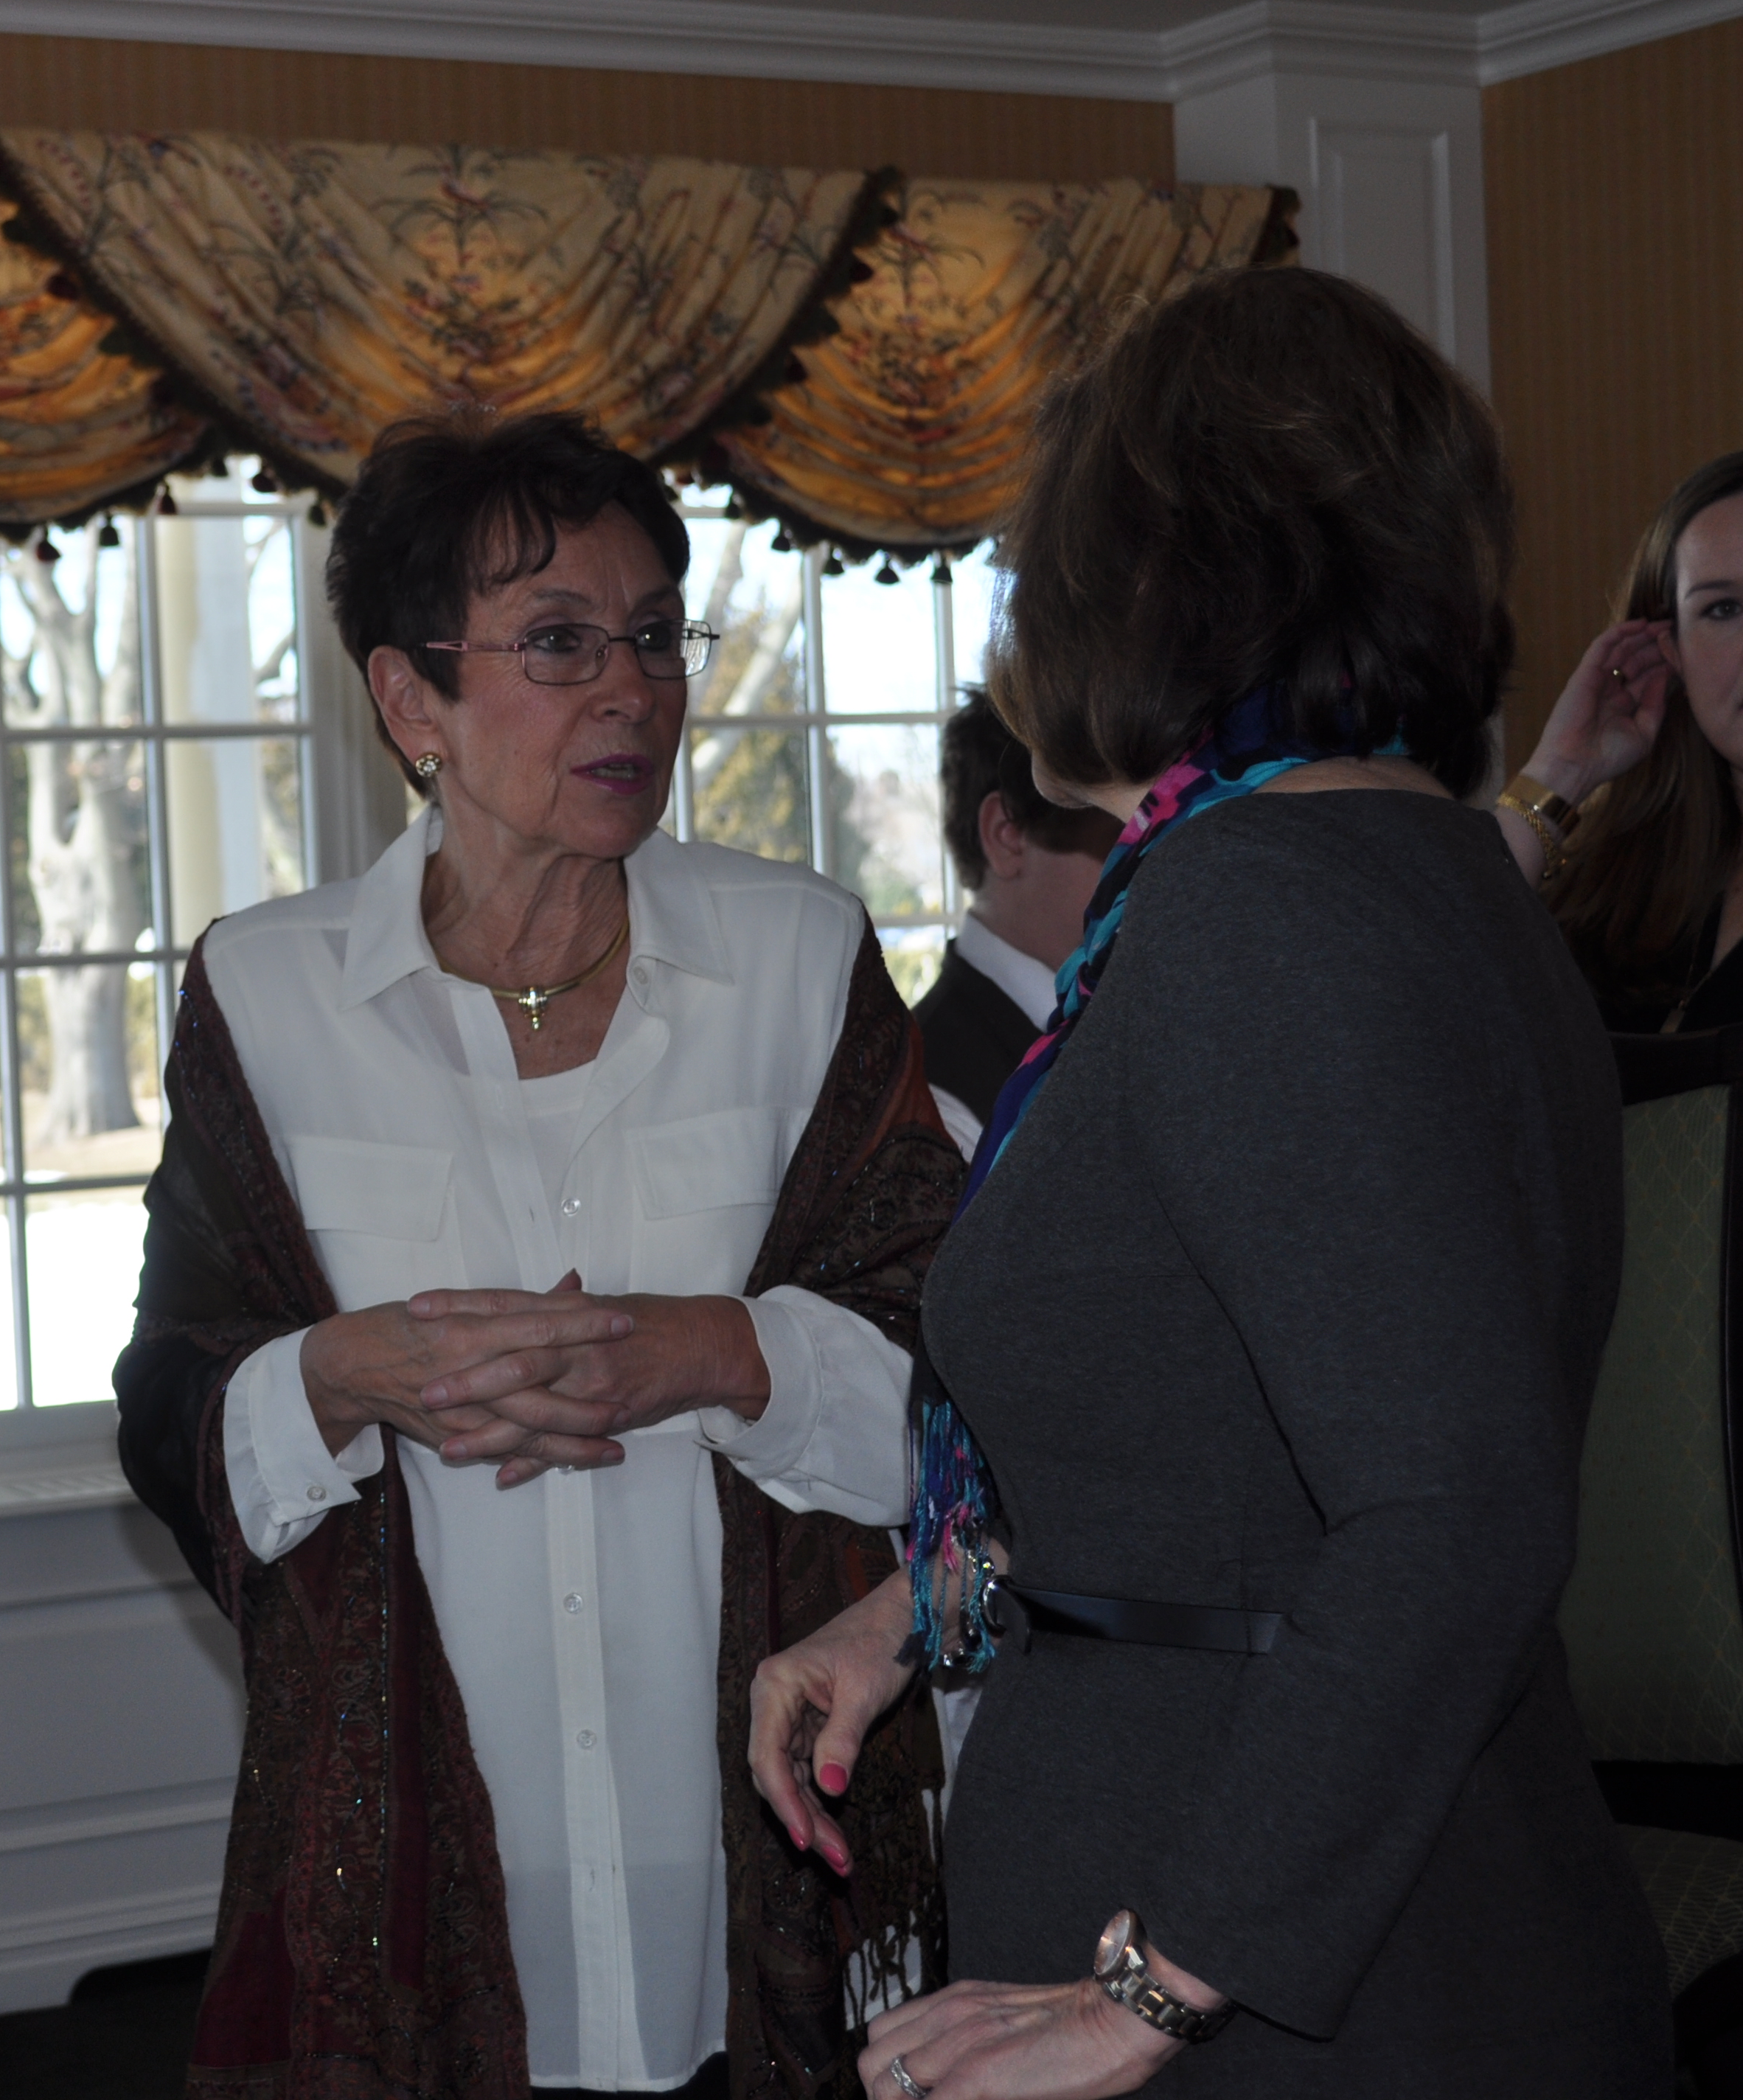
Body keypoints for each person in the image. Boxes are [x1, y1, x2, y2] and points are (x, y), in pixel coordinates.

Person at [745, 267, 1671, 2099]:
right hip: (1382, 1917)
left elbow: (1452, 1506)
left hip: (1311, 1995)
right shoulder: (1410, 868)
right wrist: (912, 1617)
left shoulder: (1256, 908)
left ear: (1151, 572)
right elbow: (1219, 1461)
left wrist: (1153, 1983)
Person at [117, 408, 963, 2100]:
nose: (629, 690)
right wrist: (342, 1372)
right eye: (559, 641)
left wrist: (714, 1349)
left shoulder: (799, 958)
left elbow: (955, 1381)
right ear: (408, 698)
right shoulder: (264, 993)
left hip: (748, 1833)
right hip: (414, 1848)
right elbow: (173, 1402)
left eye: (653, 635)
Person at [1500, 451, 1743, 1030]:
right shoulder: (1622, 883)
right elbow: (1433, 982)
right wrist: (1560, 772)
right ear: (1670, 650)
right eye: (1724, 608)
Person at [915, 695, 1121, 1156]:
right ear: (1006, 835)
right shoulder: (931, 1096)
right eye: (1117, 839)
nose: (1143, 866)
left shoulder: (1116, 1016)